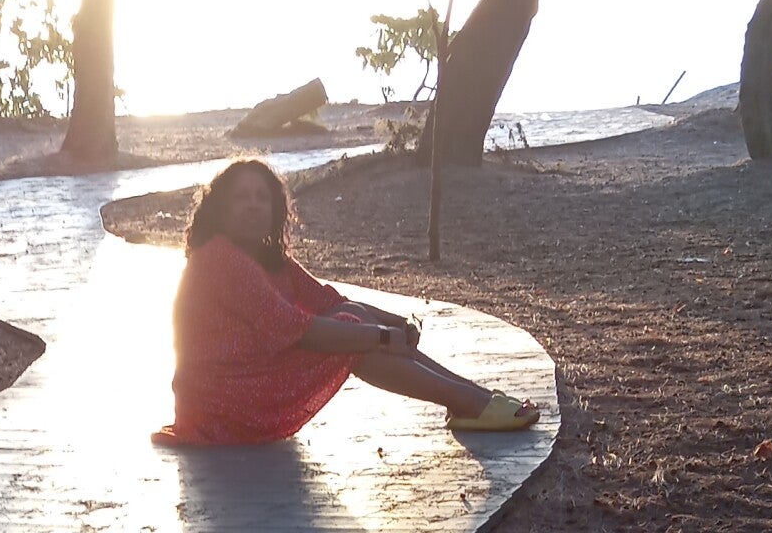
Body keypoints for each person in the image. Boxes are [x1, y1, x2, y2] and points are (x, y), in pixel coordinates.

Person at [158, 159, 539, 448]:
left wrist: (394, 323)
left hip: (248, 382)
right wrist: (381, 336)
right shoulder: (220, 258)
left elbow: (328, 301)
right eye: (242, 198)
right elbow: (298, 330)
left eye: (262, 198)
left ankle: (469, 397)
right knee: (353, 334)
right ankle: (468, 401)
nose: (254, 206)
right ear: (221, 209)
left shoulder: (266, 256)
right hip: (221, 405)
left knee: (352, 319)